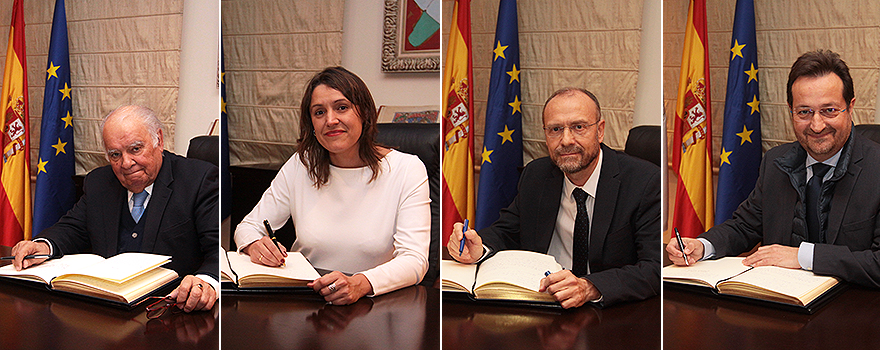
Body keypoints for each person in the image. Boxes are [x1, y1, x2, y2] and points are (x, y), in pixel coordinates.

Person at [667, 50, 880, 288]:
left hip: (853, 309)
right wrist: (702, 246)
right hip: (781, 304)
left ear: (850, 108)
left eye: (829, 110)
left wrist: (802, 256)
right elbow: (744, 226)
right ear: (790, 111)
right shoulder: (776, 162)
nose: (817, 125)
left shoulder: (876, 169)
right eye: (804, 112)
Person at [447, 87, 661, 308]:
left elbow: (654, 267)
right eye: (555, 129)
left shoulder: (643, 182)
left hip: (610, 313)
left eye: (579, 127)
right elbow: (507, 231)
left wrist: (590, 287)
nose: (566, 140)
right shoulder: (536, 175)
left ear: (600, 130)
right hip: (541, 302)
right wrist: (478, 248)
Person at [234, 66, 430, 305]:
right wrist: (255, 244)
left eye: (342, 107)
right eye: (319, 112)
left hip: (376, 303)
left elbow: (415, 259)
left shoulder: (406, 169)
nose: (331, 120)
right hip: (310, 300)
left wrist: (360, 283)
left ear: (365, 112)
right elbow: (248, 226)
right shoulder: (301, 164)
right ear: (312, 125)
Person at [10, 105, 219, 312]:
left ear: (159, 140)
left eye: (135, 149)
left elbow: (217, 251)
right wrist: (43, 245)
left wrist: (206, 282)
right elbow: (73, 228)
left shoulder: (198, 180)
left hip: (169, 311)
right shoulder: (99, 182)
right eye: (115, 154)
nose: (126, 163)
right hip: (106, 310)